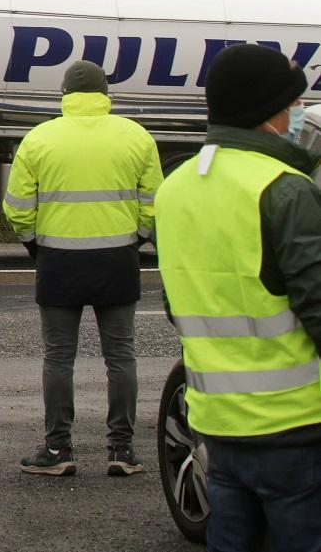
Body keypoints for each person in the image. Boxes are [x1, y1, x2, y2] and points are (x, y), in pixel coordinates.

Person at [156, 43, 321, 552]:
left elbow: (176, 301)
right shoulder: (285, 189)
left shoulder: (177, 186)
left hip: (216, 420)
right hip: (294, 422)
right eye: (291, 106)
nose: (296, 115)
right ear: (266, 111)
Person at [3, 60, 163, 477]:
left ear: (64, 94)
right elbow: (153, 201)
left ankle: (58, 450)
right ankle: (122, 451)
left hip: (58, 259)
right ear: (105, 92)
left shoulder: (39, 138)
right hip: (117, 258)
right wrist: (138, 238)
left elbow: (17, 206)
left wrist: (35, 243)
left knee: (58, 359)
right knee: (121, 357)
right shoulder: (136, 136)